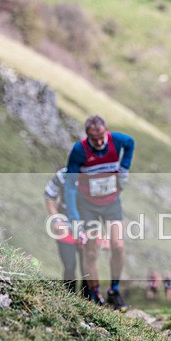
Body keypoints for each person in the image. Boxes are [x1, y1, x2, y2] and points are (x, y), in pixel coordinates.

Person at [64, 115, 135, 310]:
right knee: (91, 250)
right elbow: (70, 185)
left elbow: (130, 142)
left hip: (112, 203)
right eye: (94, 139)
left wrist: (124, 168)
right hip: (88, 205)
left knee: (118, 246)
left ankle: (114, 290)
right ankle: (95, 294)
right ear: (87, 136)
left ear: (106, 131)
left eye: (101, 137)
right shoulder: (79, 150)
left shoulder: (116, 140)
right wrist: (74, 217)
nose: (99, 142)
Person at [44, 167, 89, 298]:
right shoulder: (63, 174)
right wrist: (57, 220)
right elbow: (49, 196)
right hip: (66, 226)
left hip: (89, 226)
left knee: (87, 269)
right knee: (69, 266)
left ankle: (87, 301)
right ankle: (69, 299)